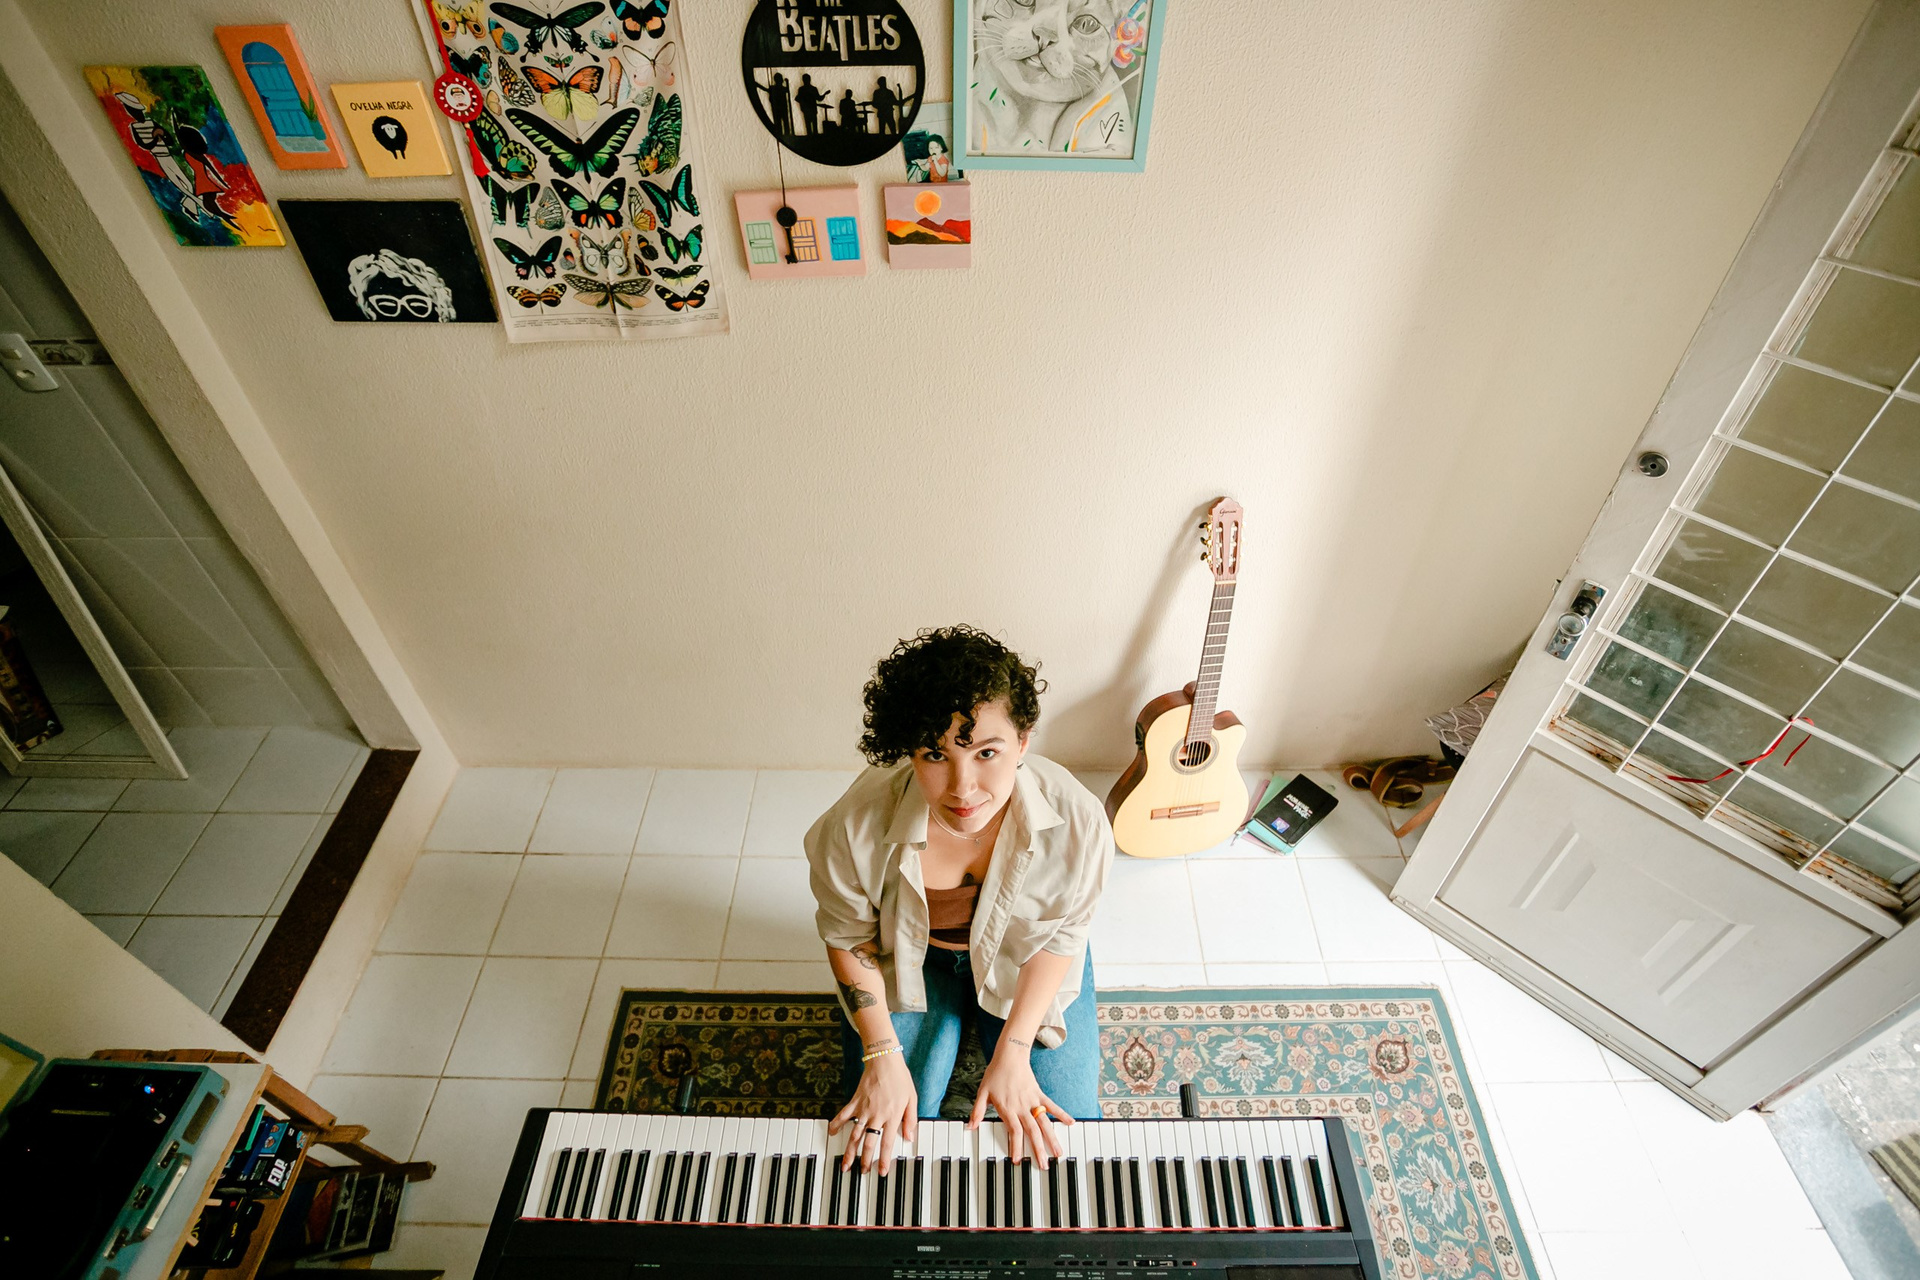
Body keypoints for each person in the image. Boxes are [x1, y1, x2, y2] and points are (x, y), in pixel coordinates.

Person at [807, 626, 1114, 1175]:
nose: (962, 787)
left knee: (1069, 1131)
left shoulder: (1081, 822)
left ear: (1023, 742)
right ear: (909, 752)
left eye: (986, 752)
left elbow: (1063, 937)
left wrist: (1014, 1051)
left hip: (1025, 959)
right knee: (889, 1133)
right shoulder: (851, 827)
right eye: (935, 754)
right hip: (913, 959)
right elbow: (848, 938)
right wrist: (882, 1054)